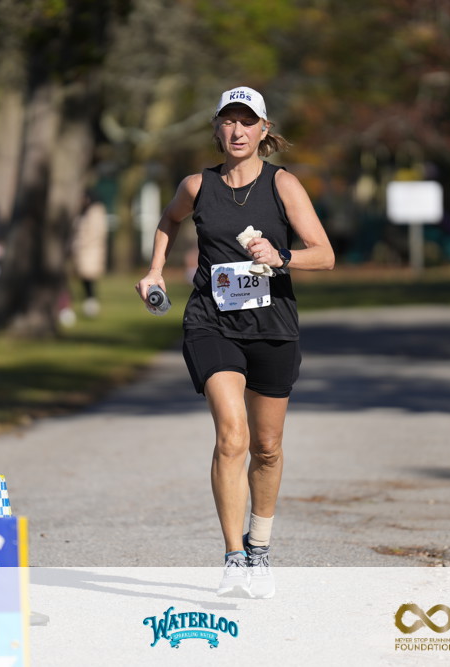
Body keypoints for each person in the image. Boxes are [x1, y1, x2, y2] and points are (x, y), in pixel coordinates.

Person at [135, 86, 334, 598]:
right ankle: (233, 558)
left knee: (267, 447)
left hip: (272, 326)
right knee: (232, 436)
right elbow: (170, 219)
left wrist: (282, 257)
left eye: (248, 121)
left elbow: (325, 254)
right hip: (211, 322)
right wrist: (155, 270)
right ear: (217, 129)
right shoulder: (197, 186)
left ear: (264, 130)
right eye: (229, 121)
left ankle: (259, 547)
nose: (238, 130)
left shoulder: (283, 185)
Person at [71, 191, 110, 317]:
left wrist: (80, 243)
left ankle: (91, 304)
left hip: (90, 250)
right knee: (84, 278)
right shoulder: (84, 212)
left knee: (89, 279)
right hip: (84, 251)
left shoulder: (95, 212)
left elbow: (95, 232)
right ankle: (89, 303)